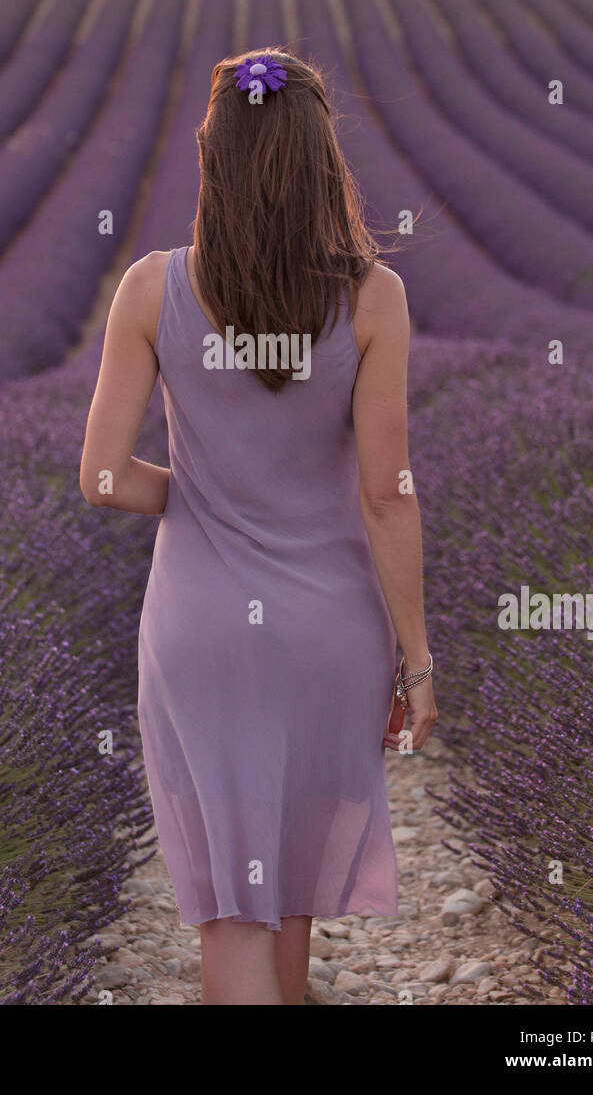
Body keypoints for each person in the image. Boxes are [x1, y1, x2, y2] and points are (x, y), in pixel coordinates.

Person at [80, 49, 437, 1005]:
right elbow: (386, 493)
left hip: (199, 630)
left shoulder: (152, 290)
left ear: (212, 157)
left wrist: (198, 494)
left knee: (234, 905)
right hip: (328, 631)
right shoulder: (373, 298)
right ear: (326, 163)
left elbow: (104, 479)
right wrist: (417, 656)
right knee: (285, 900)